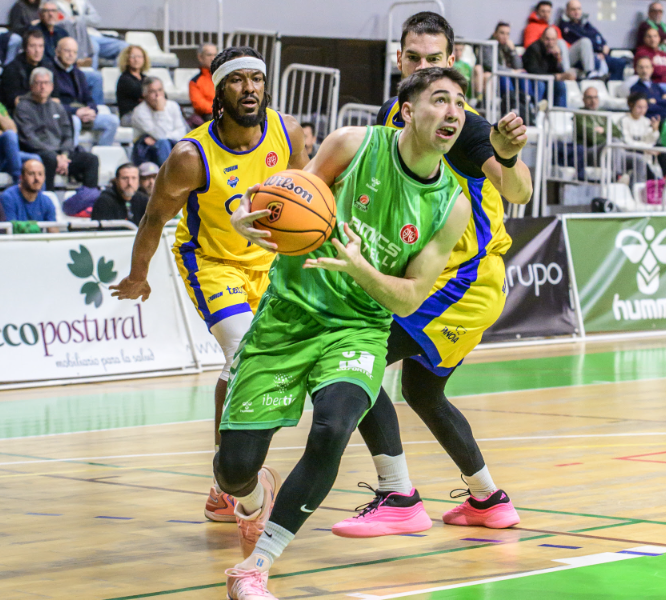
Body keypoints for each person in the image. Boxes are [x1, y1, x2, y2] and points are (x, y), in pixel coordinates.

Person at [216, 66, 475, 600]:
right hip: (287, 316)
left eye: (459, 103)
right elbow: (287, 197)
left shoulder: (452, 206)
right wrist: (250, 215)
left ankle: (255, 568)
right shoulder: (353, 145)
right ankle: (251, 497)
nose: (453, 112)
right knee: (233, 469)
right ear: (407, 111)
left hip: (358, 330)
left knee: (333, 427)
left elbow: (409, 297)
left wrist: (360, 269)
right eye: (440, 99)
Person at [334, 12, 531, 540]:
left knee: (353, 358)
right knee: (422, 392)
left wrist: (509, 155)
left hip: (462, 280)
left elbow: (518, 191)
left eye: (434, 59)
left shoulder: (463, 125)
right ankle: (488, 500)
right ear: (398, 60)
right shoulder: (393, 114)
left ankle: (397, 495)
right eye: (413, 58)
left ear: (452, 61)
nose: (422, 67)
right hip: (433, 276)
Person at [109, 46, 308, 524]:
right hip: (211, 262)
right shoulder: (190, 156)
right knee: (244, 352)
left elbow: (309, 193)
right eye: (237, 80)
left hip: (270, 261)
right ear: (218, 91)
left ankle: (222, 487)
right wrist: (138, 275)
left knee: (241, 363)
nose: (249, 88)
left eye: (256, 79)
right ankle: (241, 490)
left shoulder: (288, 132)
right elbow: (154, 218)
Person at [14, 66, 99, 191]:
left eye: (46, 83)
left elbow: (67, 134)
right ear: (31, 86)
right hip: (38, 153)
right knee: (49, 159)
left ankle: (88, 198)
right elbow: (29, 137)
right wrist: (56, 156)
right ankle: (49, 196)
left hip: (60, 154)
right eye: (38, 83)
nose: (42, 87)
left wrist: (64, 155)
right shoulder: (23, 107)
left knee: (91, 159)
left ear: (52, 86)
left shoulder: (57, 107)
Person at [53, 37, 119, 146]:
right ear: (57, 52)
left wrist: (91, 111)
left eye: (74, 52)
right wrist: (76, 111)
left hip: (82, 114)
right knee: (75, 121)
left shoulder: (78, 74)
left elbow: (89, 99)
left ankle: (100, 153)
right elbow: (53, 104)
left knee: (113, 121)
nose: (71, 55)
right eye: (67, 51)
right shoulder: (50, 72)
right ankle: (71, 153)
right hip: (65, 115)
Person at [0, 71, 40, 182]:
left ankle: (39, 193)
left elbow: (13, 130)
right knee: (8, 135)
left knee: (35, 159)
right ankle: (18, 180)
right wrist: (0, 132)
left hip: (4, 154)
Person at [558, 0, 628, 80]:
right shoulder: (565, 26)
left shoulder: (585, 23)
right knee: (586, 43)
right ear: (567, 11)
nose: (576, 12)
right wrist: (599, 48)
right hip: (581, 57)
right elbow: (582, 40)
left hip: (599, 53)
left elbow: (598, 36)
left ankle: (612, 86)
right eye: (573, 9)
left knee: (620, 63)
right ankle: (590, 74)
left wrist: (603, 46)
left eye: (579, 9)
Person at [523, 0, 594, 77]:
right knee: (560, 42)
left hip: (562, 57)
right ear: (537, 12)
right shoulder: (531, 27)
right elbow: (531, 48)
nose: (546, 14)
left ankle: (590, 72)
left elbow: (564, 46)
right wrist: (550, 47)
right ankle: (566, 73)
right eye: (543, 11)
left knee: (585, 41)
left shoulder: (555, 28)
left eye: (548, 11)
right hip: (546, 57)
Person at [130, 77, 187, 166]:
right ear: (144, 94)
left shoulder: (173, 106)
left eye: (160, 90)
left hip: (173, 146)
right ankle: (168, 173)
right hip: (147, 152)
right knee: (163, 143)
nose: (158, 95)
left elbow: (181, 132)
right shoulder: (139, 112)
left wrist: (167, 137)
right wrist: (160, 111)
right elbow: (160, 135)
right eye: (152, 91)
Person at [54, 0, 127, 69]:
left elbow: (96, 20)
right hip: (76, 38)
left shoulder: (81, 2)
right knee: (93, 47)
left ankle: (119, 75)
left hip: (93, 34)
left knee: (124, 47)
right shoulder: (55, 4)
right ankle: (91, 73)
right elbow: (60, 23)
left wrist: (78, 19)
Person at [0, 158, 58, 232]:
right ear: (21, 177)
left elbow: (53, 231)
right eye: (31, 174)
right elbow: (10, 230)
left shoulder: (47, 201)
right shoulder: (8, 198)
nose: (37, 178)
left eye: (40, 174)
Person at [522, 26, 574, 107]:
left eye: (553, 39)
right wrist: (554, 76)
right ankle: (535, 111)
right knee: (540, 85)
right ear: (542, 38)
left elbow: (559, 72)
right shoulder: (533, 49)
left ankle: (560, 112)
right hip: (533, 80)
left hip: (547, 80)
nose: (550, 42)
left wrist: (558, 59)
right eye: (547, 39)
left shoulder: (553, 51)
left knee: (560, 84)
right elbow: (533, 71)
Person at [1, 29, 52, 110]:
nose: (37, 50)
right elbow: (16, 100)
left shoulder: (48, 66)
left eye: (41, 46)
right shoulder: (12, 69)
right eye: (32, 46)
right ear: (25, 48)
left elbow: (56, 97)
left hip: (45, 109)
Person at [475, 22, 523, 108]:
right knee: (505, 77)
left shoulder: (508, 46)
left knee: (523, 75)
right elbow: (491, 65)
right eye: (502, 33)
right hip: (495, 77)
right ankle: (512, 102)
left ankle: (528, 101)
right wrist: (511, 71)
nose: (505, 36)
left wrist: (513, 50)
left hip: (507, 76)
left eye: (507, 34)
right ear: (495, 33)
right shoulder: (488, 45)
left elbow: (519, 66)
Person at [620, 92, 662, 179]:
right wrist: (647, 148)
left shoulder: (646, 121)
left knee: (662, 151)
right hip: (630, 152)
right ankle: (655, 179)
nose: (642, 110)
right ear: (631, 105)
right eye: (639, 107)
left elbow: (650, 141)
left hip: (645, 151)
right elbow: (627, 142)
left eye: (645, 107)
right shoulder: (624, 120)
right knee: (641, 156)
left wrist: (654, 130)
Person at [116, 44, 149, 126]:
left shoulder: (145, 78)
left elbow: (162, 95)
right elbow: (142, 92)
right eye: (133, 57)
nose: (136, 60)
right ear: (127, 59)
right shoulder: (124, 79)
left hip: (146, 114)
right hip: (129, 116)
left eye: (139, 57)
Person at [188, 43, 217, 126]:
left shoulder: (224, 77)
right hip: (208, 116)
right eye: (209, 55)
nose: (213, 58)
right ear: (200, 57)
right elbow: (199, 105)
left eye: (215, 55)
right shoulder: (195, 82)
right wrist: (218, 109)